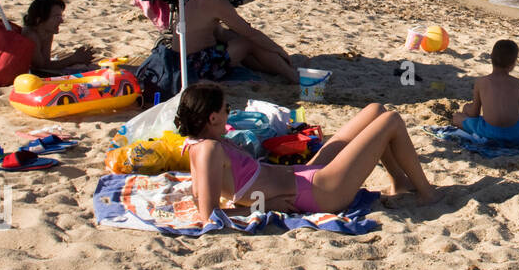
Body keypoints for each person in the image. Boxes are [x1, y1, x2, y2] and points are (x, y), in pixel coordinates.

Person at [176, 83, 442, 224]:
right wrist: (264, 208)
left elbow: (204, 195)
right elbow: (208, 213)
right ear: (212, 117)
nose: (228, 113)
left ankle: (399, 182)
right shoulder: (209, 149)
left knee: (375, 110)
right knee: (392, 120)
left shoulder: (202, 144)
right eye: (226, 108)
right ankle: (427, 194)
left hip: (304, 175)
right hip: (318, 191)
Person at [174, 0, 298, 84]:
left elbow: (219, 33)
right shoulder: (217, 3)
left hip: (183, 62)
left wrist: (237, 38)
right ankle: (293, 76)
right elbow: (252, 34)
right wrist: (279, 50)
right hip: (197, 66)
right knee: (248, 42)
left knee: (241, 42)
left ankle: (277, 68)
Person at [452, 40, 519, 142]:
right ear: (513, 63)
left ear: (491, 57)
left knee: (457, 118)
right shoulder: (517, 82)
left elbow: (475, 113)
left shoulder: (481, 82)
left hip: (490, 131)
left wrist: (466, 108)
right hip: (516, 133)